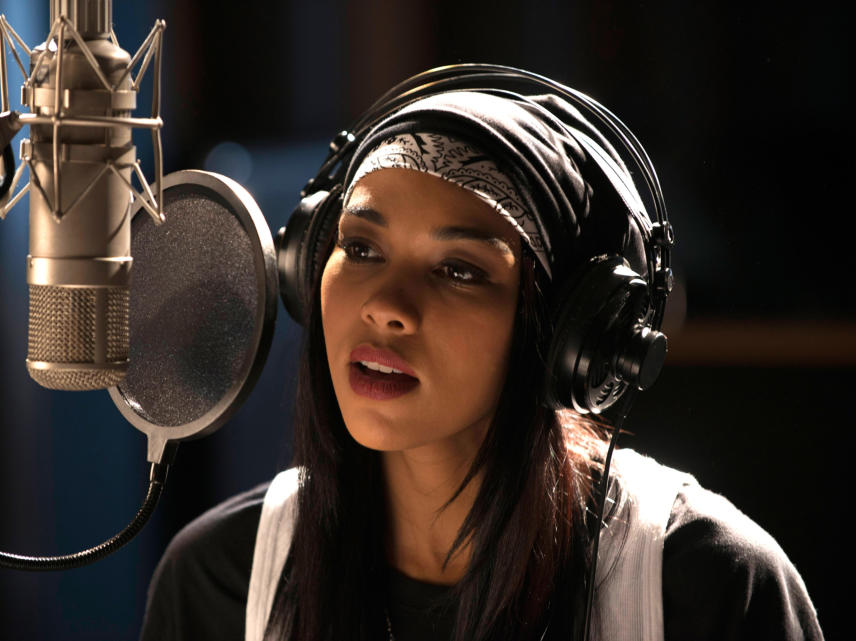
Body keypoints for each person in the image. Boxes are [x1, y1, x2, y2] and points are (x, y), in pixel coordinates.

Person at [139, 67, 824, 641]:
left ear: (567, 335)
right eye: (362, 248)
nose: (386, 305)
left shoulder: (709, 586)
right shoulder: (219, 580)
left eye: (460, 270)